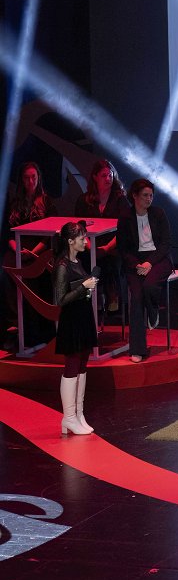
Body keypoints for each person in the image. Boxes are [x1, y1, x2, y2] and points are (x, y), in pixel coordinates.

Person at [117, 178, 173, 363]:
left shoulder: (159, 213)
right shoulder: (125, 217)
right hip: (136, 262)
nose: (149, 199)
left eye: (151, 195)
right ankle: (137, 349)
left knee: (149, 285)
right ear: (134, 196)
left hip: (158, 259)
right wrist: (137, 265)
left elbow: (166, 244)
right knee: (136, 297)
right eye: (145, 195)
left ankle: (153, 311)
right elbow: (123, 248)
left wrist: (149, 263)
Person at [2, 162, 58, 345]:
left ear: (38, 178)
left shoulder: (46, 202)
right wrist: (17, 249)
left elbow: (50, 235)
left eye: (33, 177)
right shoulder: (15, 203)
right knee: (6, 270)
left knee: (34, 275)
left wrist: (32, 252)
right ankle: (15, 324)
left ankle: (38, 331)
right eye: (27, 178)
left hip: (39, 249)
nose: (30, 181)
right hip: (18, 248)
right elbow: (9, 233)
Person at [53, 220, 99, 435]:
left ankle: (79, 414)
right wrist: (83, 287)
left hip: (83, 317)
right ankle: (69, 417)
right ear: (70, 241)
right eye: (82, 238)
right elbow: (60, 299)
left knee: (82, 365)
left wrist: (87, 287)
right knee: (72, 366)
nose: (85, 241)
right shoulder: (62, 266)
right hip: (71, 322)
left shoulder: (77, 261)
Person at [74, 159, 131, 312]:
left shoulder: (120, 199)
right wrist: (91, 247)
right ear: (95, 177)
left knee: (109, 259)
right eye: (103, 175)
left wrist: (106, 248)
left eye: (110, 175)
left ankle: (109, 295)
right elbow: (79, 228)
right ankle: (93, 298)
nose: (107, 179)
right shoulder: (84, 200)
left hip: (113, 245)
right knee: (84, 259)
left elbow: (125, 229)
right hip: (89, 245)